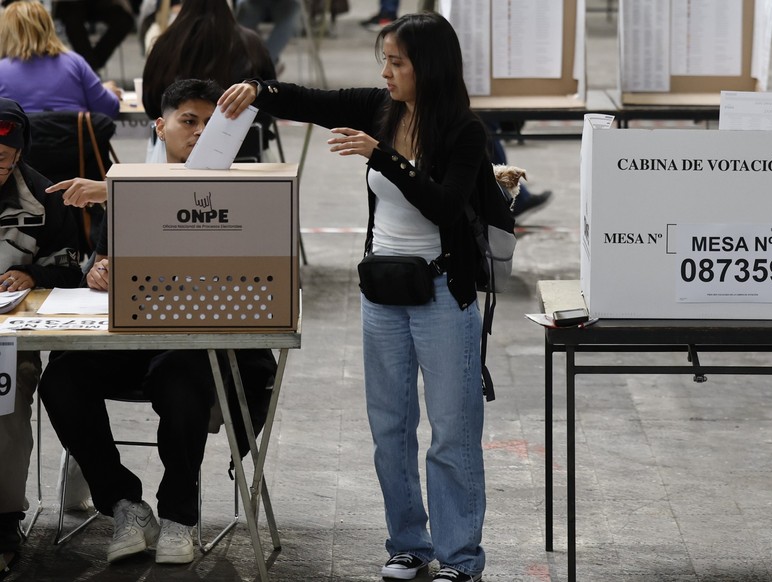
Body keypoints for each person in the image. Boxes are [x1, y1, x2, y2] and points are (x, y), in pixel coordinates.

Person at [220, 11, 487, 582]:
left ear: (429, 67)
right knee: (390, 428)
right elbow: (311, 101)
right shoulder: (378, 107)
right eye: (383, 61)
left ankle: (460, 559)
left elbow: (442, 206)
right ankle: (408, 545)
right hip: (383, 291)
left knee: (451, 432)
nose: (386, 72)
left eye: (398, 62)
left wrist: (381, 154)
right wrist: (260, 90)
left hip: (444, 292)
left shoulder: (463, 130)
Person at [38, 78, 277, 566]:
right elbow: (101, 262)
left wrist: (107, 190)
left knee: (183, 380)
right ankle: (125, 504)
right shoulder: (128, 185)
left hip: (197, 348)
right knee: (59, 380)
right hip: (128, 340)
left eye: (212, 123)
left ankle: (179, 517)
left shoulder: (243, 191)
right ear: (160, 126)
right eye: (189, 120)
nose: (199, 132)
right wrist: (98, 270)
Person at [0, 97, 84, 580]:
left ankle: (4, 519)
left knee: (6, 406)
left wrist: (32, 275)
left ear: (18, 155)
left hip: (11, 339)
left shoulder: (41, 194)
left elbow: (71, 266)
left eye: (3, 160)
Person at [140, 0, 276, 121]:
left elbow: (151, 105)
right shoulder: (251, 44)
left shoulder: (164, 43)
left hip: (174, 142)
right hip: (244, 141)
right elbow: (270, 100)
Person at [0, 0, 121, 119]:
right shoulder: (74, 63)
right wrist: (108, 92)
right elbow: (109, 109)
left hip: (20, 138)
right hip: (74, 137)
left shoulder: (2, 71)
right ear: (48, 27)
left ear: (5, 32)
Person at [52, 0, 135, 73]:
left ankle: (91, 66)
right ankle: (90, 67)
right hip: (70, 4)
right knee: (73, 21)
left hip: (98, 3)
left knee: (125, 20)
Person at [236, 0, 302, 68]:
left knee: (291, 19)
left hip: (286, 3)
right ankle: (265, 64)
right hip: (253, 3)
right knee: (240, 27)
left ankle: (263, 65)